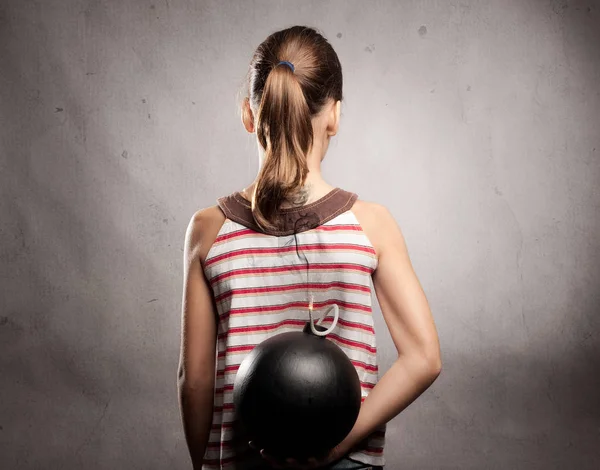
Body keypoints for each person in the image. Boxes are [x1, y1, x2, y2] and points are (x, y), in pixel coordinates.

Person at [178, 25, 442, 470]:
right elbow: (424, 358)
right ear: (334, 116)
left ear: (248, 114)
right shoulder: (371, 226)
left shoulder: (209, 230)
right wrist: (336, 448)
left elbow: (195, 379)